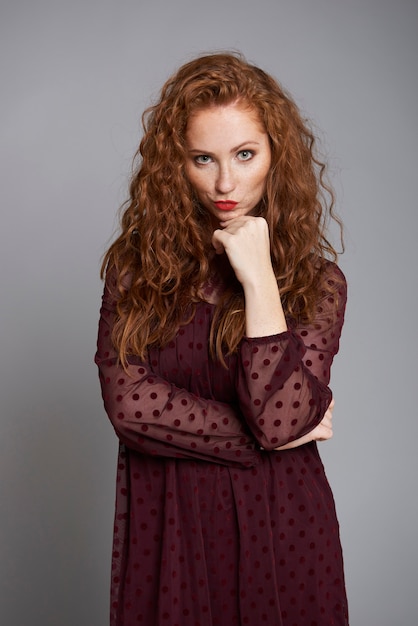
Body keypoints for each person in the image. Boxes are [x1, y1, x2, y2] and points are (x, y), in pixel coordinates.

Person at [95, 51, 349, 626]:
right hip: (172, 529)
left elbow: (281, 421)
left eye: (244, 155)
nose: (226, 182)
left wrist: (259, 278)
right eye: (202, 159)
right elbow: (130, 407)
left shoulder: (317, 283)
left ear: (274, 157)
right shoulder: (135, 270)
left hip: (284, 528)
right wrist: (266, 435)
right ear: (174, 165)